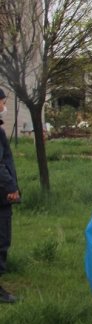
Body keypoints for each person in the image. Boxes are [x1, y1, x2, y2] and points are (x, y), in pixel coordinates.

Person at [0, 88, 19, 304]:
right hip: (1, 196)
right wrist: (10, 187)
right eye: (2, 102)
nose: (4, 106)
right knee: (2, 240)